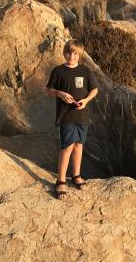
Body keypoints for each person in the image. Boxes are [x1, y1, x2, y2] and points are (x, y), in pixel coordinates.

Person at [46, 39, 98, 199]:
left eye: (75, 53)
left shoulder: (85, 71)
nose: (72, 56)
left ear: (80, 54)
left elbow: (94, 90)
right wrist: (60, 94)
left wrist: (86, 101)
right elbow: (49, 90)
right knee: (67, 146)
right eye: (69, 52)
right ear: (64, 53)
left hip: (82, 115)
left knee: (78, 145)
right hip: (66, 115)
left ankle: (76, 175)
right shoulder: (58, 71)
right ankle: (61, 180)